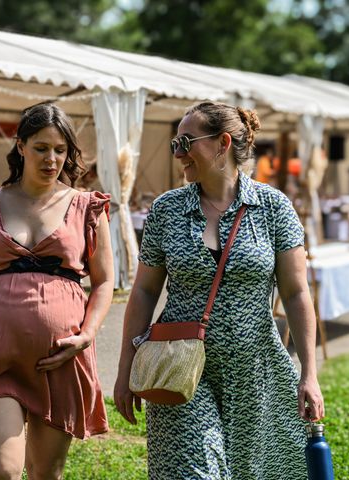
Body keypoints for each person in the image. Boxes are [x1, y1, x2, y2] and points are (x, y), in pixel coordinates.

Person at [114, 101, 324, 479]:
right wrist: (125, 368)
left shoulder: (274, 208)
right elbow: (144, 292)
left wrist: (309, 372)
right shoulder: (166, 210)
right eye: (174, 144)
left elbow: (296, 294)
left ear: (222, 143)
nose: (178, 153)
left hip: (255, 373)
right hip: (179, 370)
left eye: (186, 142)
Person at [0, 103, 114, 480]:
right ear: (20, 146)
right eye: (41, 148)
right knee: (0, 472)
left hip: (61, 359)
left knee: (46, 473)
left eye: (60, 150)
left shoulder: (86, 207)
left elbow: (104, 282)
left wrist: (88, 334)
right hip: (0, 357)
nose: (52, 159)